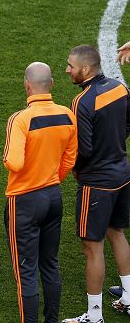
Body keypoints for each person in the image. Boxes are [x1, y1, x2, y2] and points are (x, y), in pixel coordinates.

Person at [3, 62, 77, 323]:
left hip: (24, 201)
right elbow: (70, 159)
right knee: (50, 264)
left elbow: (14, 162)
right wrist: (52, 178)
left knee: (26, 273)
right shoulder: (67, 115)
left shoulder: (20, 119)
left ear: (27, 85)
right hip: (53, 197)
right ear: (51, 84)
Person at [63, 45, 130, 323]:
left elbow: (84, 149)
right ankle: (129, 297)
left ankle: (94, 315)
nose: (67, 70)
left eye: (71, 66)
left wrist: (76, 170)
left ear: (86, 69)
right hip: (122, 173)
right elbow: (128, 125)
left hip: (97, 183)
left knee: (92, 248)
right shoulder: (119, 88)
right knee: (117, 233)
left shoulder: (82, 101)